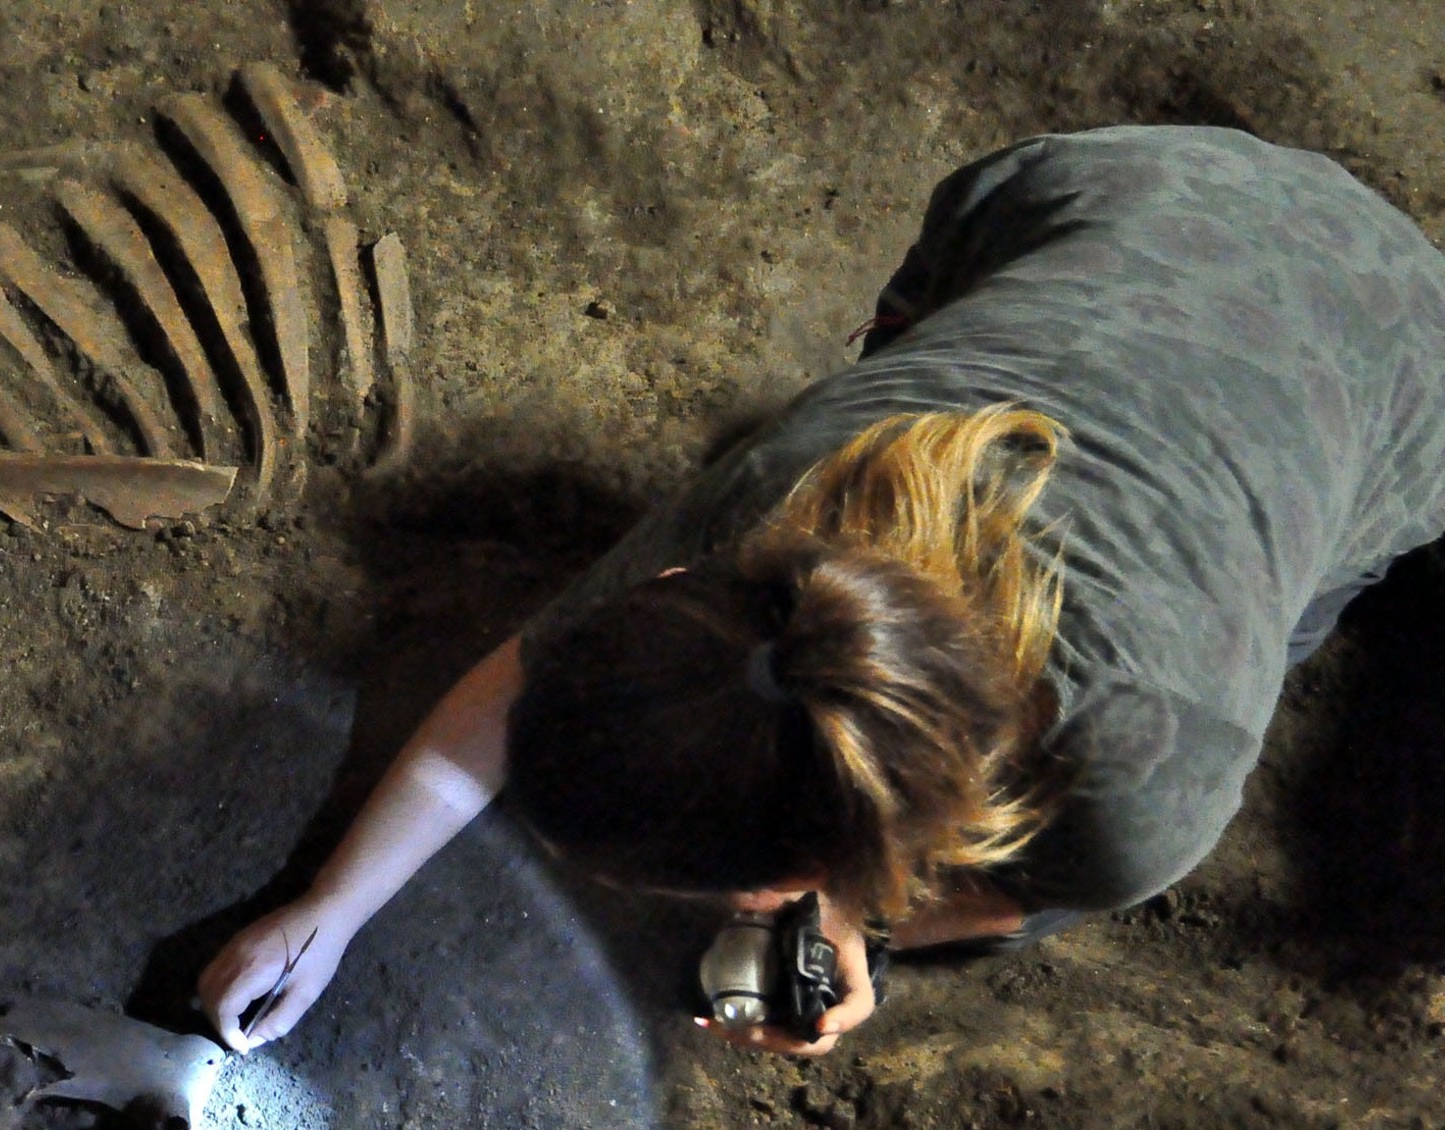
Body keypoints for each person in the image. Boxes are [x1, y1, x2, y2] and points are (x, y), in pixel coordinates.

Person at [197, 125, 1445, 1057]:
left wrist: (871, 930)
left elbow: (1014, 893)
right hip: (1123, 189)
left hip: (1402, 362)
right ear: (687, 589)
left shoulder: (1145, 785)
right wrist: (331, 908)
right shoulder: (782, 506)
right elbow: (532, 669)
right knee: (923, 337)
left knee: (1311, 588)